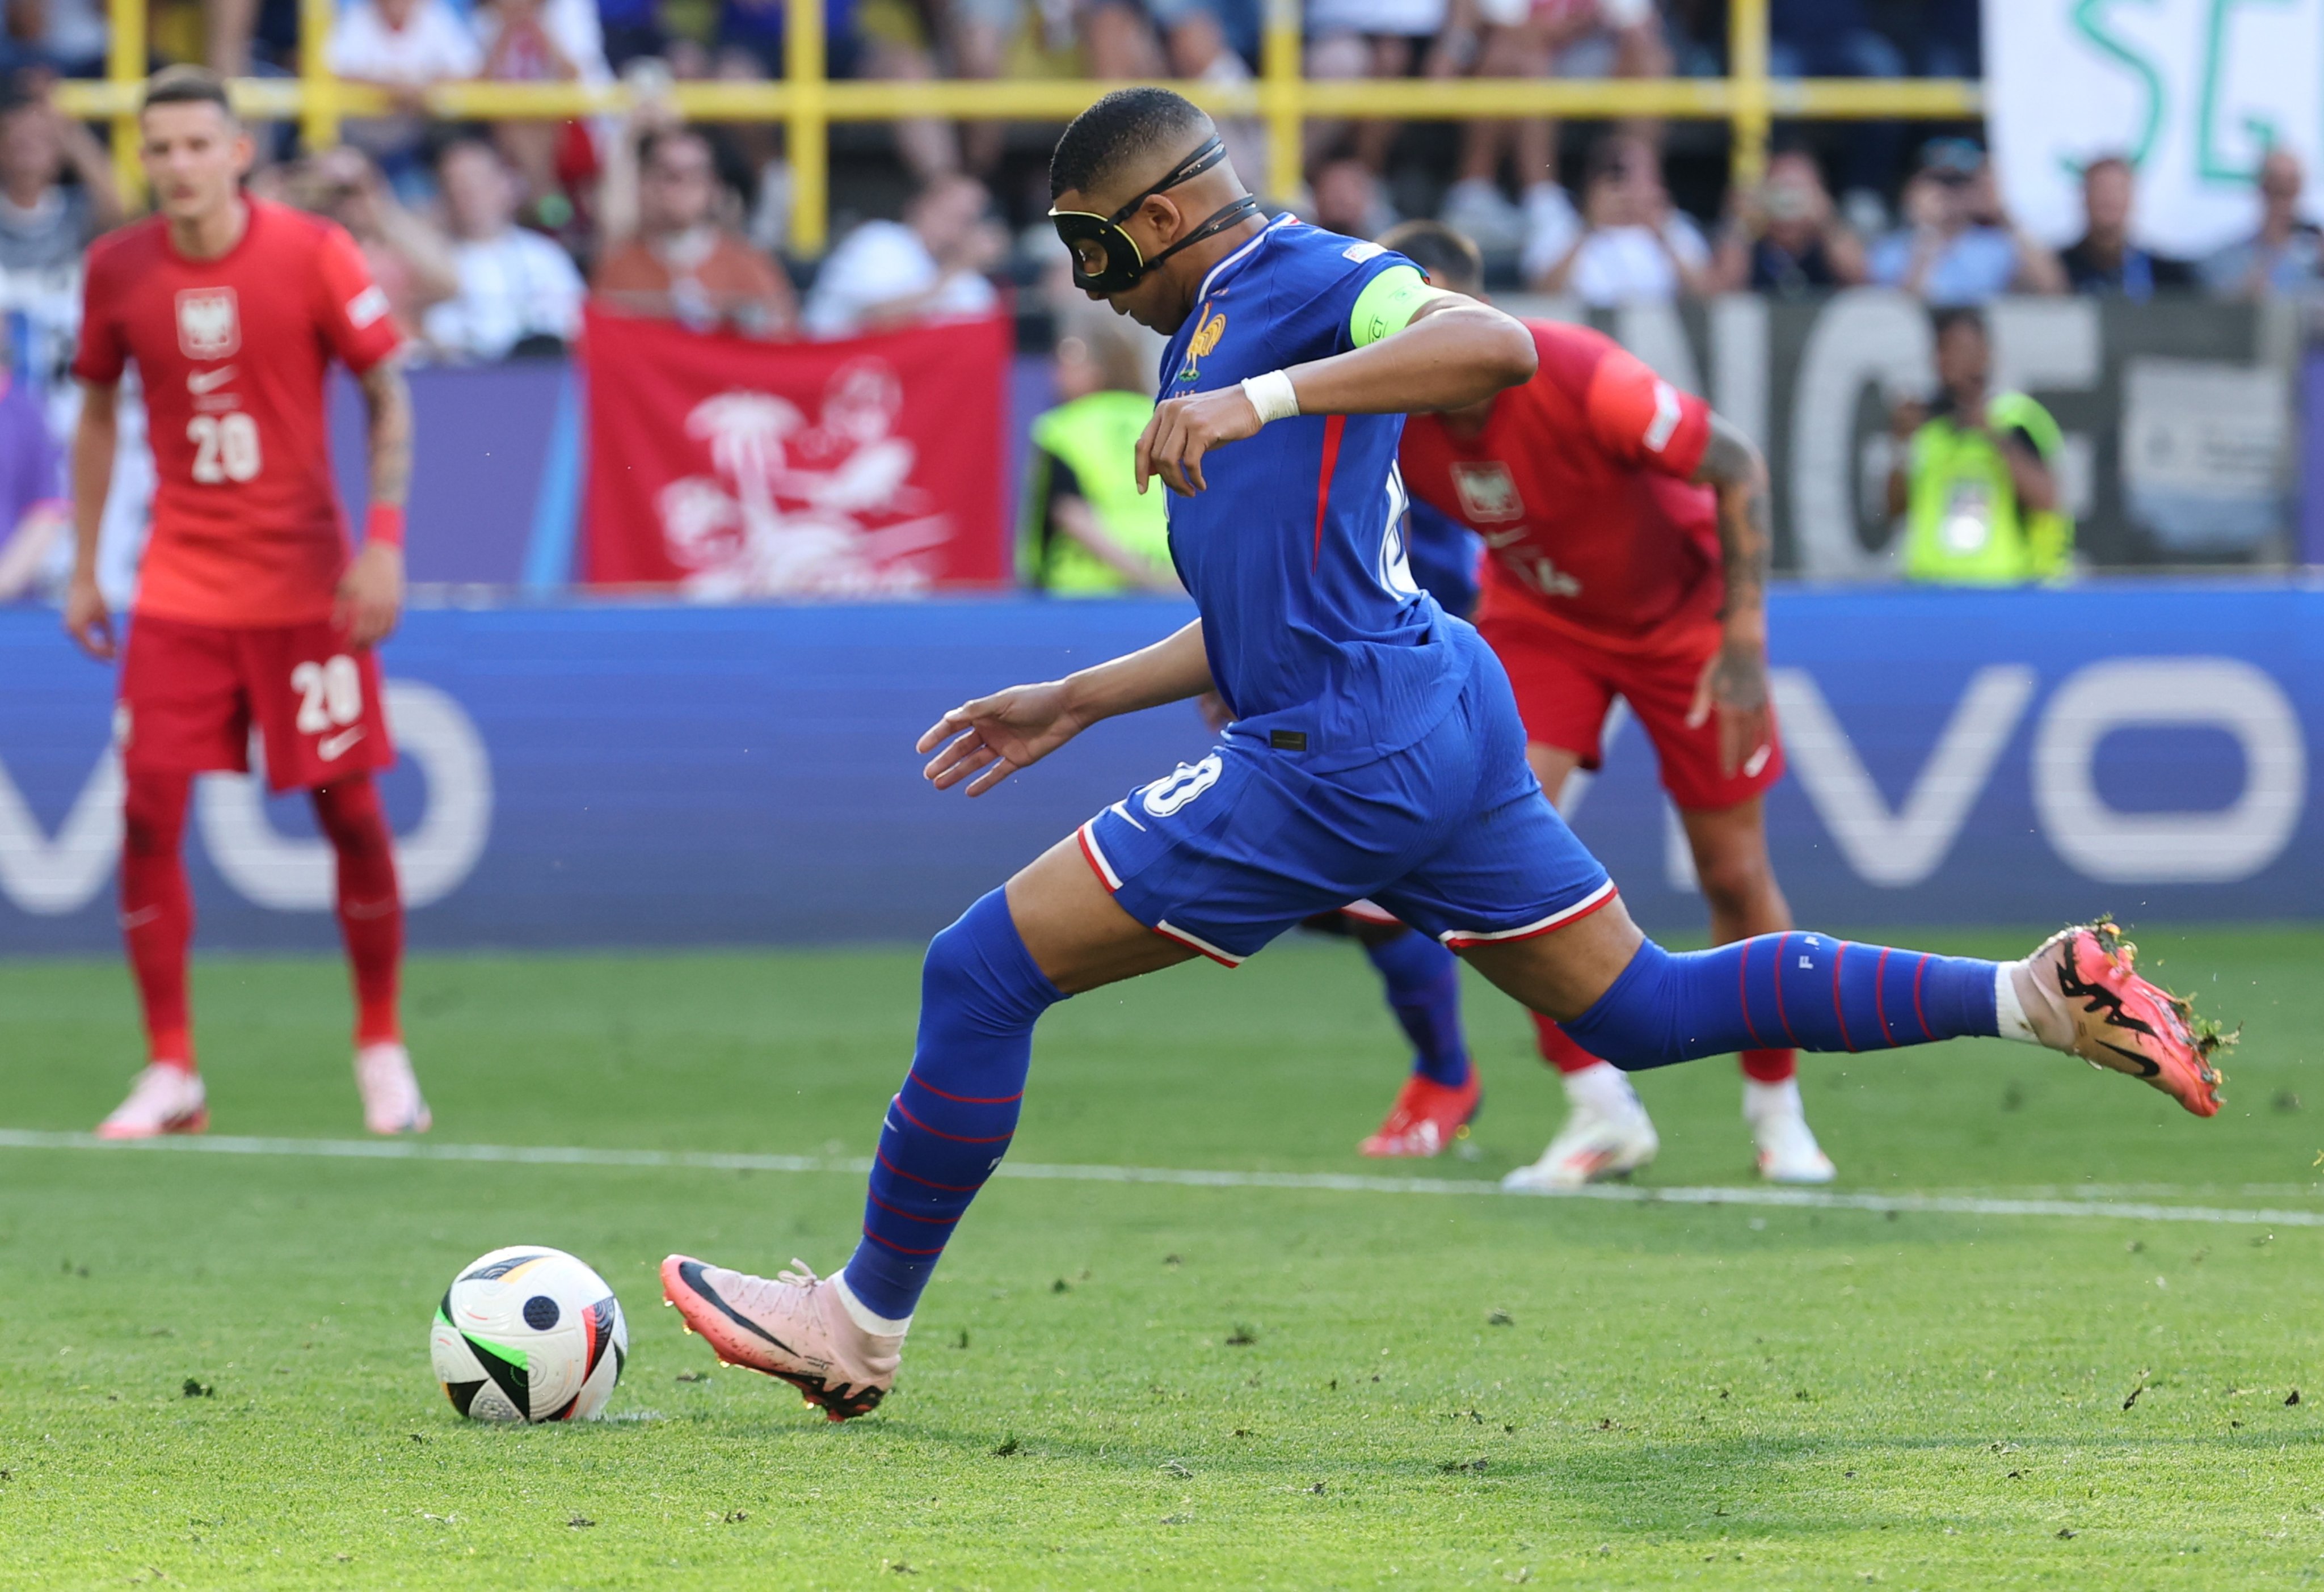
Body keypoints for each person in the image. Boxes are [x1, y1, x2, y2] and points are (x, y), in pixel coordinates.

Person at [656, 87, 2225, 1422]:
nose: (1074, 279)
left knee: (978, 971)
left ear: (1167, 210)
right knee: (1647, 1003)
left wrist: (1266, 392)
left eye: (1087, 241)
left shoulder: (1297, 281)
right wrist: (1078, 693)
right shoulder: (1194, 333)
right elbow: (1265, 610)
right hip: (1430, 708)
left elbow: (1494, 347)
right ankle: (2030, 992)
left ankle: (858, 1325)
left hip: (1335, 750)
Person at [1378, 218, 1833, 1185]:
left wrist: (1744, 630)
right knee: (1479, 848)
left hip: (1682, 619)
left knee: (1731, 872)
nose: (1408, 341)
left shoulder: (1582, 376)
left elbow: (1735, 464)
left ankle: (1775, 1111)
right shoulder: (1390, 415)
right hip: (1542, 623)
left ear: (1477, 308)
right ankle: (1598, 1109)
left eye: (1426, 317)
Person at [62, 67, 428, 1140]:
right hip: (180, 579)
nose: (174, 165)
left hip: (306, 582)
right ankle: (171, 1068)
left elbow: (387, 393)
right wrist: (87, 564)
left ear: (237, 153)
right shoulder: (116, 269)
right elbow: (94, 413)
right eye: (157, 148)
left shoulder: (312, 251)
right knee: (144, 809)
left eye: (193, 145)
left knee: (350, 812)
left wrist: (385, 546)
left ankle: (380, 1045)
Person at [1886, 306, 2071, 585]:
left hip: (2000, 590)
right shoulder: (1926, 427)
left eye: (1960, 349)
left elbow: (2048, 499)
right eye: (1942, 350)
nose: (1948, 361)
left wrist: (1993, 437)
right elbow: (1893, 508)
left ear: (1985, 354)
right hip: (1929, 589)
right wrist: (1901, 447)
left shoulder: (2016, 419)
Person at [594, 112, 795, 335]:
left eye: (694, 174)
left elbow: (781, 340)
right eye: (669, 175)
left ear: (713, 186)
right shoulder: (621, 266)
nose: (682, 188)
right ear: (645, 183)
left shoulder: (748, 266)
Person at [1022, 316, 1178, 595]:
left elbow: (1072, 514)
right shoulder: (1160, 416)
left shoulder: (1062, 428)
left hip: (1082, 597)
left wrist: (1142, 576)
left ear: (1101, 366)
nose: (1056, 373)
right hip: (1171, 578)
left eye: (1068, 361)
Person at [422, 139, 587, 361]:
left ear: (507, 184)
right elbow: (439, 334)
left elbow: (577, 324)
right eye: (458, 185)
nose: (471, 195)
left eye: (479, 182)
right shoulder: (436, 263)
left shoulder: (545, 255)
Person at [801, 172, 1003, 338]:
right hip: (834, 370)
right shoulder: (879, 241)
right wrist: (953, 272)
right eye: (948, 212)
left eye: (967, 219)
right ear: (919, 206)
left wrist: (958, 270)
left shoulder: (969, 281)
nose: (954, 226)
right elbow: (878, 318)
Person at [1868, 139, 2063, 307]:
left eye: (1960, 182)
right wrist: (1927, 235)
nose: (1950, 193)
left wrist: (2004, 215)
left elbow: (2052, 291)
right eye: (1940, 181)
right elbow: (1899, 318)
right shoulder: (1889, 250)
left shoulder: (1997, 246)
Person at [1529, 133, 1711, 305]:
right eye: (1617, 176)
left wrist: (1661, 233)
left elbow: (1705, 294)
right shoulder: (1563, 227)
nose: (1628, 190)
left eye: (1639, 177)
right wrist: (1588, 227)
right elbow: (1543, 295)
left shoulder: (1675, 228)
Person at [1710, 147, 1866, 297]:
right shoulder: (1752, 247)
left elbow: (1862, 282)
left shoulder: (1828, 246)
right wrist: (1737, 225)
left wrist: (1829, 223)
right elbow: (1721, 292)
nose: (1788, 204)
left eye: (1798, 192)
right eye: (1779, 191)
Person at [2058, 156, 2192, 301]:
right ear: (2085, 198)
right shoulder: (2059, 269)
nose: (2109, 199)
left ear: (2132, 198)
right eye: (2100, 190)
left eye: (2117, 190)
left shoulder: (2167, 275)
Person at [2200, 148, 2324, 301]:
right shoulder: (2230, 257)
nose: (2283, 191)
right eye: (2275, 185)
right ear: (2262, 187)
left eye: (2291, 183)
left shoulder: (2316, 250)